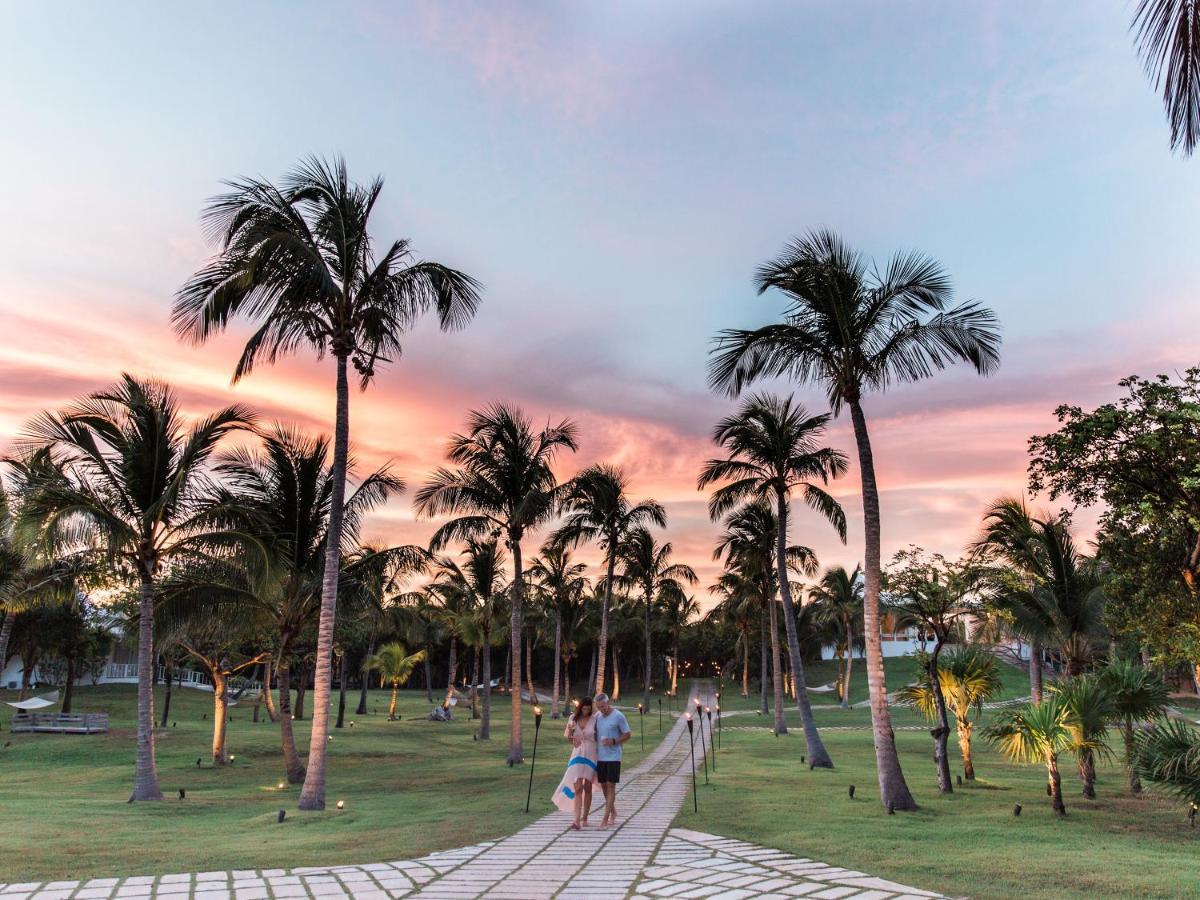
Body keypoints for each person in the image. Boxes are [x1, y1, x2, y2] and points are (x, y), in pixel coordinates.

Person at [551, 696, 597, 829]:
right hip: (577, 754)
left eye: (588, 709)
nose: (586, 711)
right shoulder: (573, 719)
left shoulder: (595, 720)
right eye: (584, 709)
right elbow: (569, 737)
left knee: (587, 787)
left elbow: (598, 738)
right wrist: (572, 740)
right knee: (577, 787)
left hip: (591, 754)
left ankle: (585, 818)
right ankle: (576, 820)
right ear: (580, 708)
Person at [593, 692, 631, 828]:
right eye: (598, 707)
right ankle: (613, 812)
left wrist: (614, 741)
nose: (601, 709)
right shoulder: (597, 717)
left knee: (610, 786)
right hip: (600, 757)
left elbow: (627, 735)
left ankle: (605, 819)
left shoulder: (618, 716)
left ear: (608, 703)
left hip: (614, 757)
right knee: (603, 786)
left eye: (603, 706)